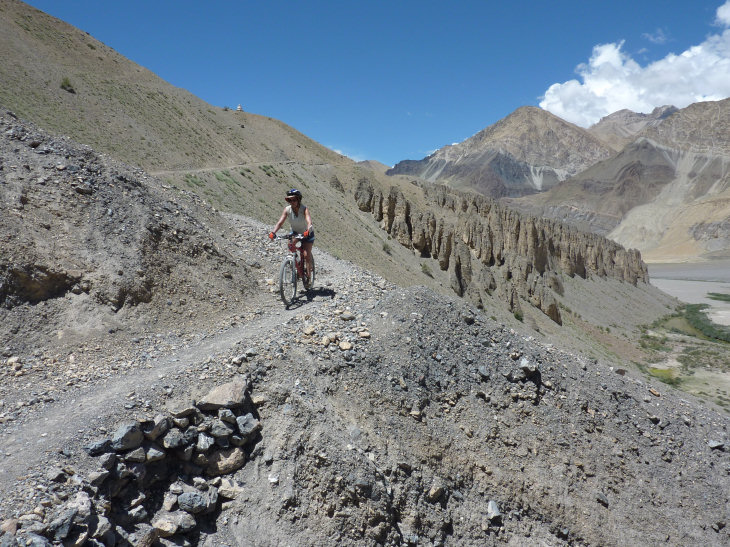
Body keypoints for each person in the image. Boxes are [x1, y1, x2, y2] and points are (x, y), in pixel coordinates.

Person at [269, 189, 315, 286]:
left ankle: (309, 278)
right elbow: (280, 222)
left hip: (307, 233)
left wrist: (308, 230)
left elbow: (309, 221)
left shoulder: (304, 209)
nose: (292, 202)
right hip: (295, 232)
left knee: (306, 254)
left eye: (294, 200)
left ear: (298, 200)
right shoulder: (287, 210)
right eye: (289, 200)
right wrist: (273, 232)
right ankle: (296, 263)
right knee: (291, 245)